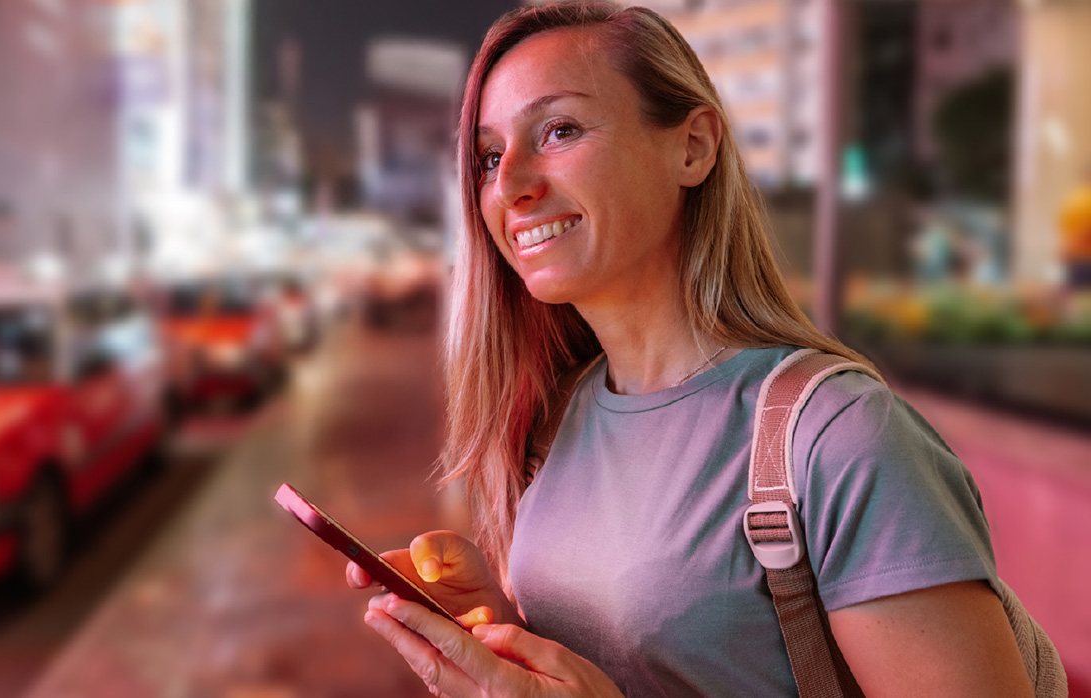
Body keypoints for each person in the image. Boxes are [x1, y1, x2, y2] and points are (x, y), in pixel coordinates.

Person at [345, 3, 1034, 696]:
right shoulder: (557, 421)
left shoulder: (842, 436)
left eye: (558, 130)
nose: (510, 186)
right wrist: (499, 630)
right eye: (491, 156)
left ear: (693, 146)